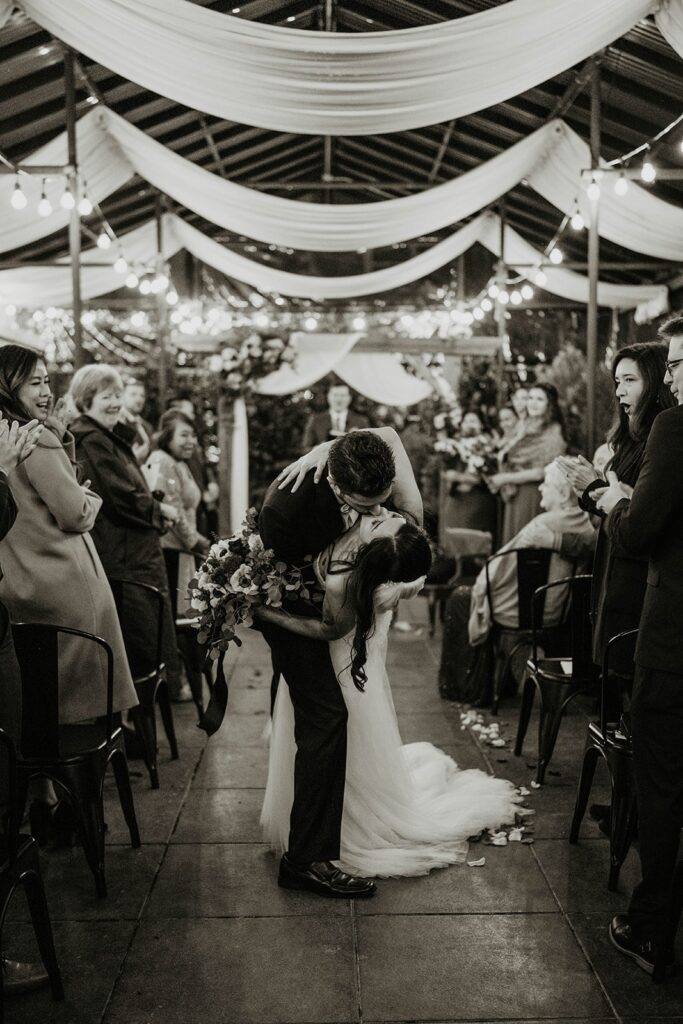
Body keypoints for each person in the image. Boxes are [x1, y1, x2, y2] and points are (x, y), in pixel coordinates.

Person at [258, 510, 523, 877]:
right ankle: (310, 824)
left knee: (333, 742)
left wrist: (265, 613)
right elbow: (412, 575)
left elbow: (330, 630)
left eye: (385, 521)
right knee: (315, 740)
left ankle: (339, 828)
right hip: (333, 666)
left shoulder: (354, 581)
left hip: (336, 666)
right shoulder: (385, 553)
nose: (381, 515)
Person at [257, 428, 422, 898]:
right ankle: (305, 861)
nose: (377, 514)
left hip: (338, 594)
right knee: (326, 714)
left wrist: (325, 445)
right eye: (364, 505)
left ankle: (323, 827)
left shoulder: (370, 456)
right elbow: (311, 612)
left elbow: (388, 437)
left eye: (382, 501)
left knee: (322, 715)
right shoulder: (284, 514)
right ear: (334, 482)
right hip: (291, 604)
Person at [596, 316, 683, 975]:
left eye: (679, 363)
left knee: (662, 785)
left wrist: (609, 501)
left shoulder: (673, 426)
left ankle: (650, 926)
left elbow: (638, 530)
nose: (672, 377)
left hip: (673, 639)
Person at [0, 347, 138, 728]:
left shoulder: (6, 434)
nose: (46, 392)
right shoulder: (33, 436)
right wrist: (90, 498)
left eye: (47, 381)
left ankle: (42, 783)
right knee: (80, 703)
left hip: (17, 583)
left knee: (34, 700)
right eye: (34, 383)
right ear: (9, 385)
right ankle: (81, 775)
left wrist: (61, 438)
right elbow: (75, 513)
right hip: (63, 584)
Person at [68, 365, 187, 702]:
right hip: (125, 560)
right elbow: (120, 497)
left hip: (134, 555)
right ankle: (142, 729)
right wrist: (158, 511)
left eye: (118, 395)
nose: (116, 403)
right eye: (107, 397)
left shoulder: (105, 436)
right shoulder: (92, 441)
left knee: (148, 637)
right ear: (85, 400)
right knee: (141, 643)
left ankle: (151, 714)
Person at [556, 342, 674, 679]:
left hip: (637, 577)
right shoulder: (629, 439)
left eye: (629, 381)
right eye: (617, 381)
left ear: (654, 382)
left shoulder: (660, 438)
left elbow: (642, 514)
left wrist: (596, 489)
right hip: (614, 566)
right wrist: (593, 489)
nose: (620, 391)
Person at [438, 461, 595, 704]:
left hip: (525, 610)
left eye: (546, 484)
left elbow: (494, 573)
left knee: (459, 598)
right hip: (555, 611)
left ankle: (468, 688)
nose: (540, 488)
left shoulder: (542, 526)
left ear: (564, 493)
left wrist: (482, 588)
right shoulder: (584, 524)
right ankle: (501, 683)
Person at [488, 383, 567, 544]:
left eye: (539, 399)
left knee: (525, 542)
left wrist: (505, 478)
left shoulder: (553, 431)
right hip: (515, 493)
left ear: (549, 404)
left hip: (534, 492)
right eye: (530, 397)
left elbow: (542, 471)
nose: (533, 402)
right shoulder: (523, 427)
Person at [302, 382, 369, 450]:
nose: (339, 399)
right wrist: (317, 449)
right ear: (328, 396)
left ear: (350, 398)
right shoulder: (316, 420)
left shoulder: (361, 421)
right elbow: (305, 449)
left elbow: (367, 449)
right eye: (335, 395)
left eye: (343, 395)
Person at [119, 377, 154, 464]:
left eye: (142, 395)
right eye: (133, 394)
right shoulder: (117, 424)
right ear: (122, 396)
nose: (139, 399)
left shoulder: (147, 426)